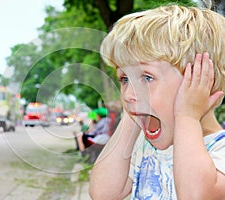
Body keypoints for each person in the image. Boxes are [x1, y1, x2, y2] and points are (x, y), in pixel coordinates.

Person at [90, 3, 225, 200]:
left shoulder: (219, 150)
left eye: (146, 78)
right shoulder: (144, 148)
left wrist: (187, 117)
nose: (128, 94)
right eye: (125, 79)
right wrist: (132, 114)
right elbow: (103, 193)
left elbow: (195, 196)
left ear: (203, 81)